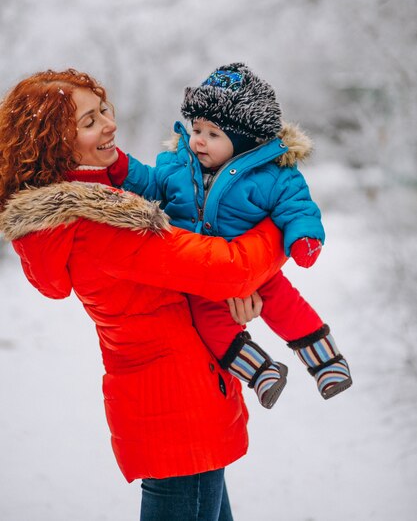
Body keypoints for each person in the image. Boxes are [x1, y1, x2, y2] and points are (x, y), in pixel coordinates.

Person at [0, 69, 288, 521]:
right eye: (90, 121)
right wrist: (280, 223)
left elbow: (187, 281)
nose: (110, 123)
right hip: (177, 405)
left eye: (104, 110)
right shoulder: (98, 223)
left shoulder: (108, 196)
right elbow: (232, 268)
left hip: (176, 393)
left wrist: (233, 303)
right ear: (56, 143)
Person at [108, 62, 352, 408]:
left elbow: (296, 205)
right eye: (196, 129)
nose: (198, 140)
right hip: (200, 271)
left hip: (254, 268)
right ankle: (260, 372)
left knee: (286, 306)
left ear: (242, 141)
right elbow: (149, 183)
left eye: (213, 134)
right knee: (212, 326)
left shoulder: (271, 175)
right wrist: (122, 167)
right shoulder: (175, 165)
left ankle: (327, 363)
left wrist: (304, 238)